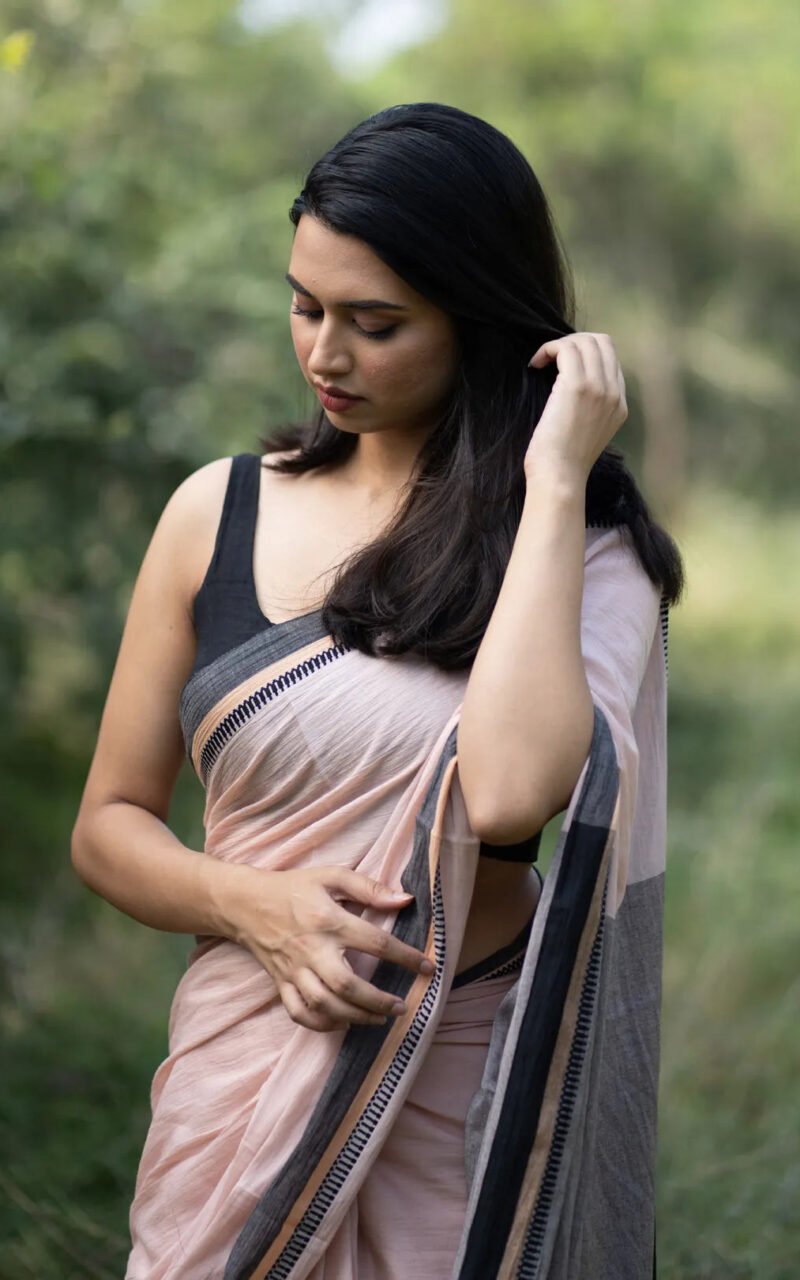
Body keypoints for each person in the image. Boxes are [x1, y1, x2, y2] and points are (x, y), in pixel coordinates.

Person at [71, 102, 684, 1279]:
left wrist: (551, 482)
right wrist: (252, 902)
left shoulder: (580, 551)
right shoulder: (215, 511)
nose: (323, 355)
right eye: (304, 306)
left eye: (375, 323)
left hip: (459, 1085)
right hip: (236, 1073)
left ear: (477, 316)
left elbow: (506, 794)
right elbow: (106, 826)